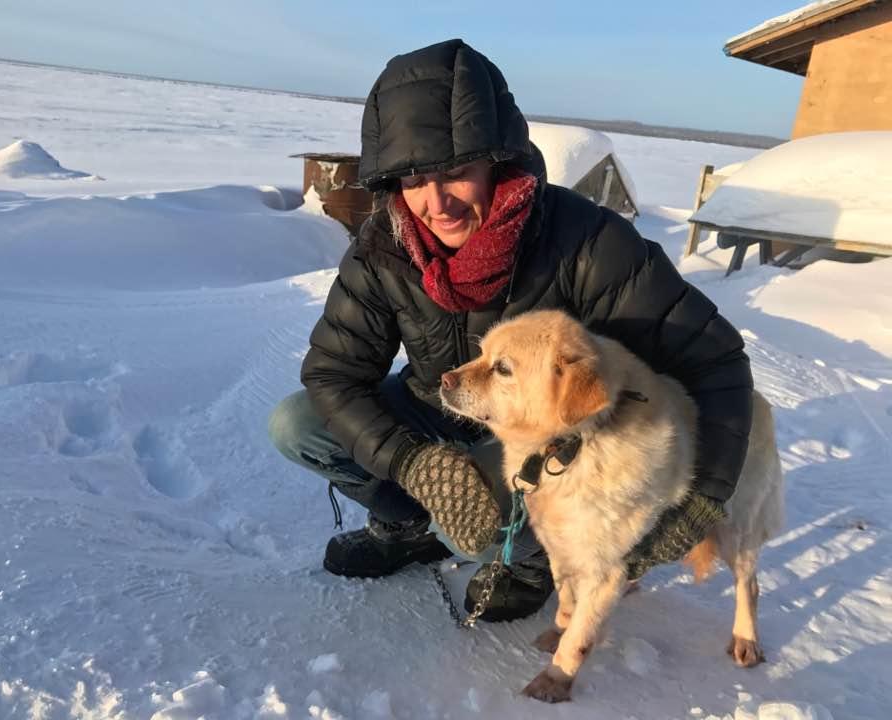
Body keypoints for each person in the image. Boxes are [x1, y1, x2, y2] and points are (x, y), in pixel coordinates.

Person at [268, 39, 753, 622]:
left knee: (475, 526)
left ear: (498, 162)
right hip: (439, 403)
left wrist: (705, 496)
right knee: (297, 425)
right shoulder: (383, 248)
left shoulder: (586, 244)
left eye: (456, 173)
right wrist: (409, 463)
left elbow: (715, 360)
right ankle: (405, 525)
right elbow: (334, 373)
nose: (435, 201)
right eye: (413, 179)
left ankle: (525, 560)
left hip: (546, 439)